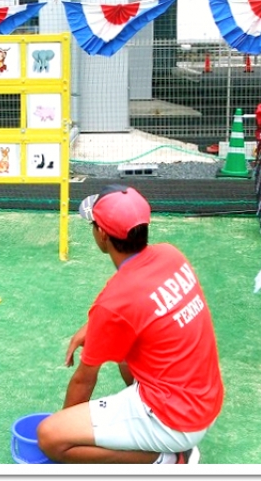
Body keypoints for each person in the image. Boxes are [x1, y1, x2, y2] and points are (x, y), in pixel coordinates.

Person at [37, 184, 224, 464]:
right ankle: (161, 439)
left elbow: (84, 380)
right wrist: (92, 329)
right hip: (205, 401)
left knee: (49, 437)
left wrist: (66, 428)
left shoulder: (115, 302)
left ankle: (166, 459)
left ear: (102, 235)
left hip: (175, 421)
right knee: (125, 352)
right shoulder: (171, 255)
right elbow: (145, 309)